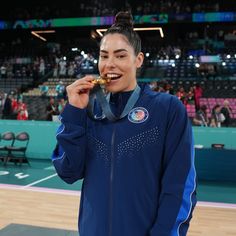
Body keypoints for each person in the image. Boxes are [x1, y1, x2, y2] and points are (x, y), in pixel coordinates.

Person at [52, 11, 197, 236]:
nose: (110, 64)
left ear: (138, 60)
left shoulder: (167, 109)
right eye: (104, 56)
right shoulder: (89, 108)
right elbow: (68, 172)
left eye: (120, 56)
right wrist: (73, 113)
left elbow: (179, 188)